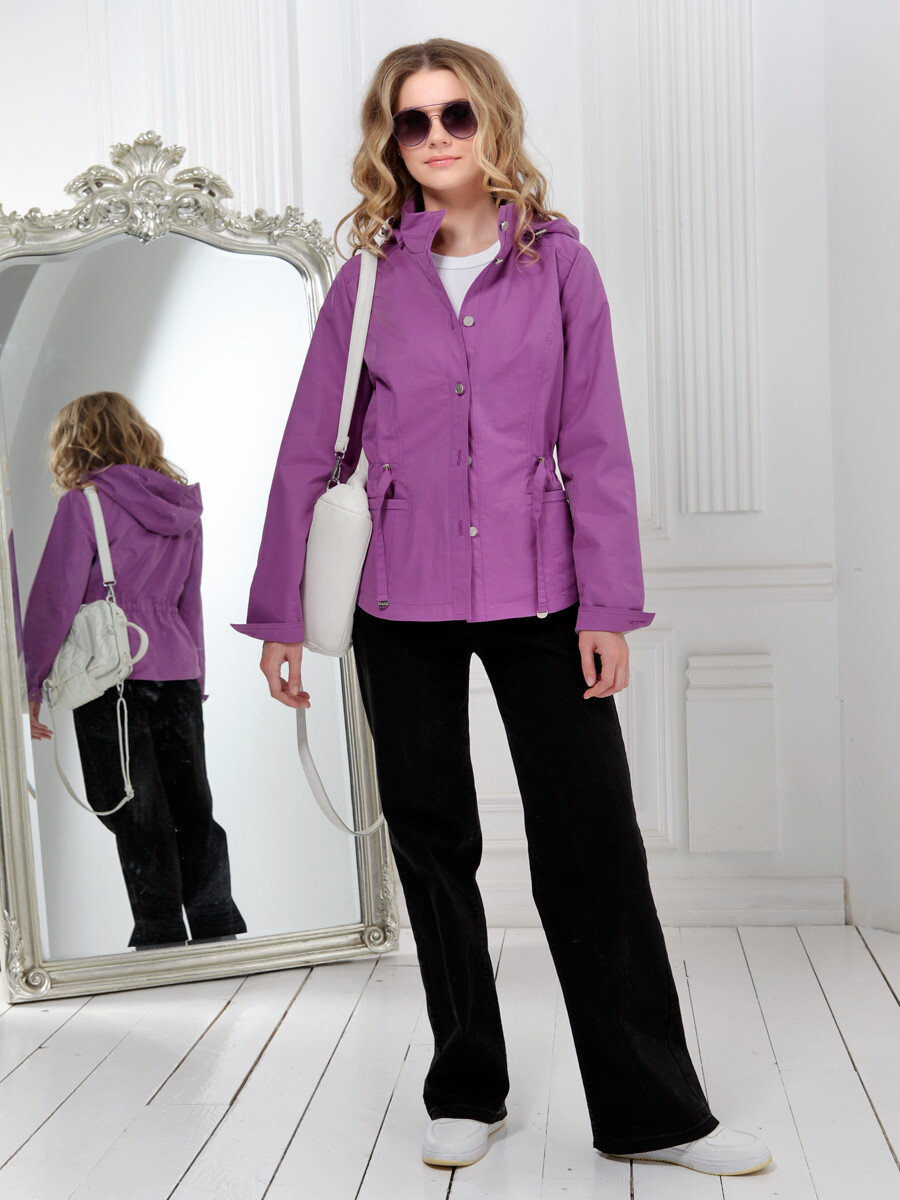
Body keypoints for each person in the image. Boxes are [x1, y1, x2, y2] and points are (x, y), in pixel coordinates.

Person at [233, 38, 772, 1178]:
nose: (437, 138)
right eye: (413, 121)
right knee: (434, 846)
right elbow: (309, 452)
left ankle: (657, 1114)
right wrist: (282, 616)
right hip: (398, 599)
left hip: (543, 598)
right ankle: (466, 1087)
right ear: (391, 141)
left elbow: (597, 442)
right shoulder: (367, 280)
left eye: (456, 116)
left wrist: (607, 605)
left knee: (593, 847)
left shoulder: (560, 266)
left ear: (493, 123)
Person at [24, 390, 246, 950]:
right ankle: (215, 922)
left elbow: (54, 598)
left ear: (77, 441)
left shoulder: (85, 504)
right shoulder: (182, 509)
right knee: (192, 801)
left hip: (109, 675)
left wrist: (31, 682)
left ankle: (159, 931)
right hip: (177, 669)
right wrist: (197, 677)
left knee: (129, 804)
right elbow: (190, 600)